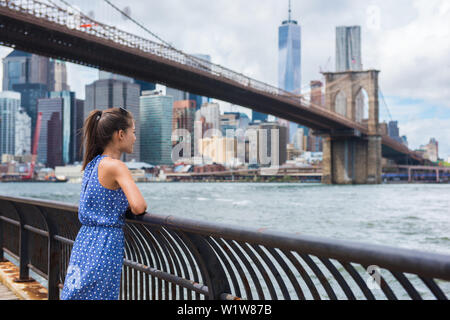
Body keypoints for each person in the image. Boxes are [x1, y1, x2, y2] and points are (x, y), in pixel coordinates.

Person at [61, 107, 147, 300]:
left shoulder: (93, 163)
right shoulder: (116, 166)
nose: (135, 137)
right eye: (133, 132)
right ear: (120, 134)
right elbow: (139, 206)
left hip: (85, 240)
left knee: (78, 293)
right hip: (105, 244)